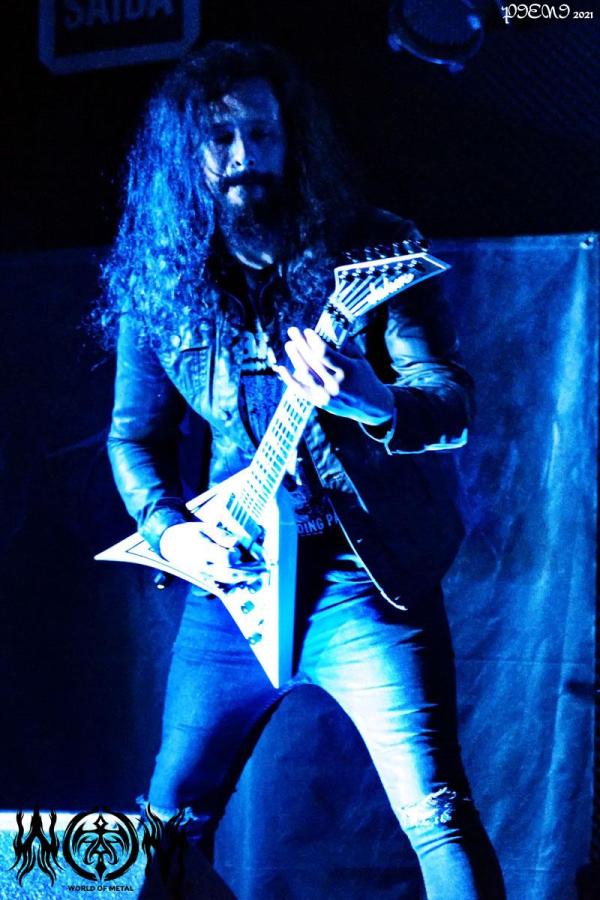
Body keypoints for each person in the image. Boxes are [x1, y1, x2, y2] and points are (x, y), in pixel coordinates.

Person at [99, 40, 505, 899]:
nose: (244, 156)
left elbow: (450, 401)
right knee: (167, 823)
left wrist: (371, 399)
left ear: (292, 138)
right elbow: (133, 438)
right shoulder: (158, 276)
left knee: (436, 811)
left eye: (262, 132)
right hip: (232, 581)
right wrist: (172, 534)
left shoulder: (370, 248)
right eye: (220, 138)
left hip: (360, 579)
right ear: (185, 156)